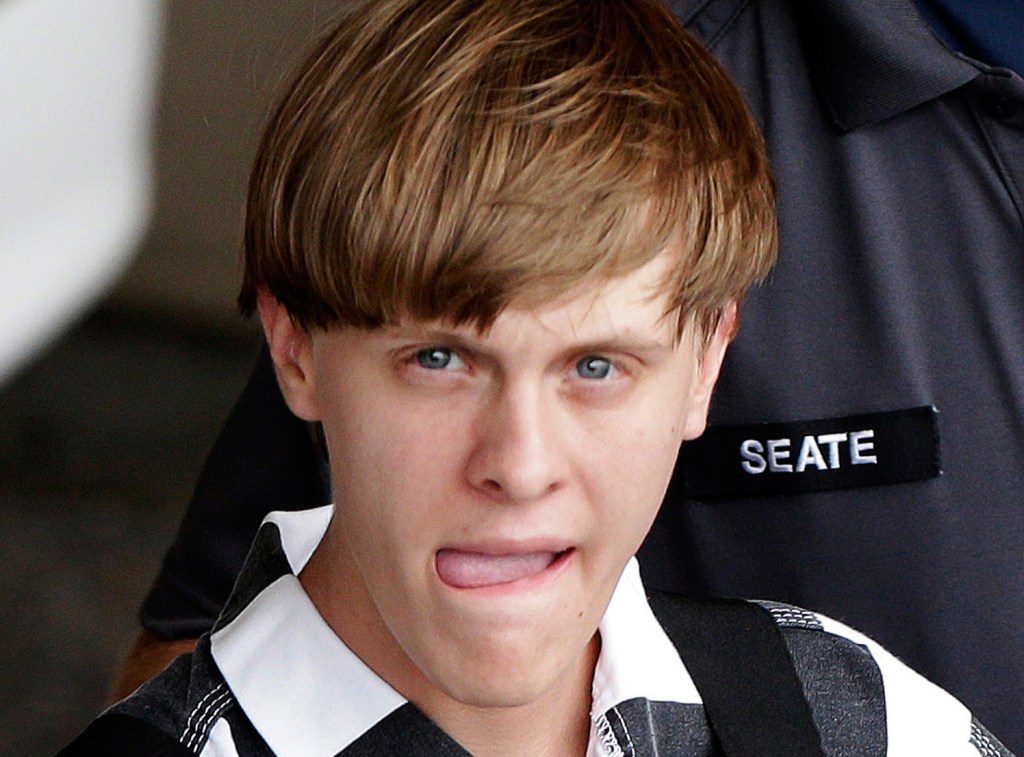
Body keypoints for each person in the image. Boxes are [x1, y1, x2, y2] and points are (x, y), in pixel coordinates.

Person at [66, 0, 1013, 753]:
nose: (518, 464)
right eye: (438, 359)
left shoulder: (863, 711)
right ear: (294, 350)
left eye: (596, 366)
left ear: (708, 362)